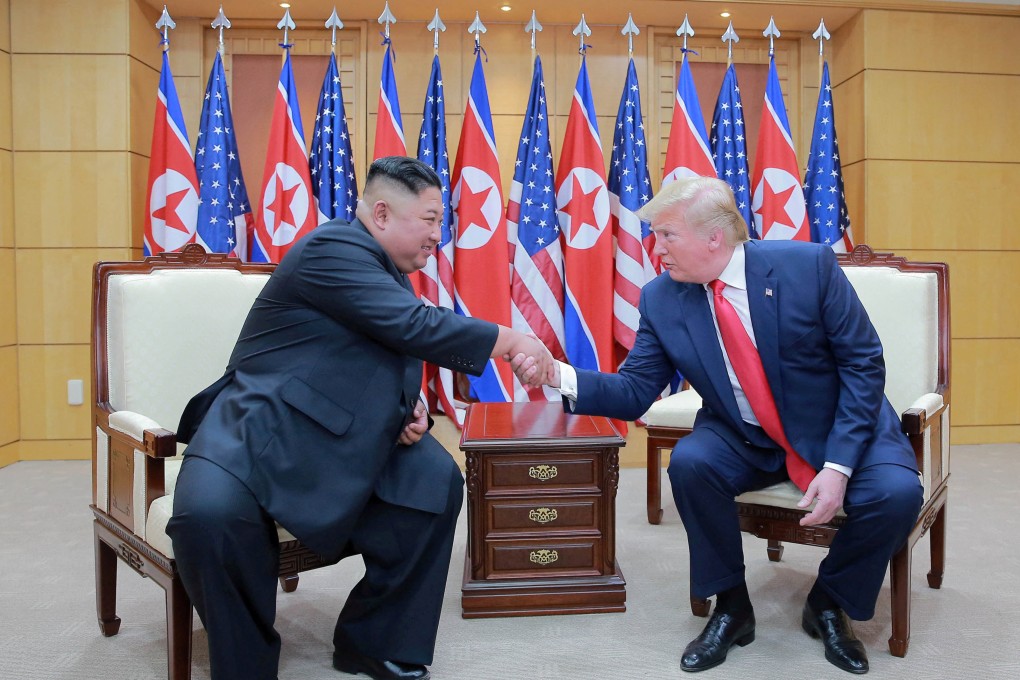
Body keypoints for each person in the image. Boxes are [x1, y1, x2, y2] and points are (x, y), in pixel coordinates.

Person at [513, 176, 923, 675]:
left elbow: (863, 363)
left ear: (714, 237)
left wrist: (838, 465)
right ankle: (732, 606)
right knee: (691, 463)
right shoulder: (662, 298)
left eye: (667, 235)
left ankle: (829, 601)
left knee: (897, 493)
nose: (655, 247)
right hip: (744, 434)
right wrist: (558, 374)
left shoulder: (807, 267)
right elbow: (636, 390)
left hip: (837, 426)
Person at [167, 156, 551, 680]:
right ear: (383, 213)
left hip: (341, 429)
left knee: (434, 484)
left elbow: (369, 355)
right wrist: (513, 341)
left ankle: (373, 641)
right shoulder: (334, 247)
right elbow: (412, 326)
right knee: (207, 518)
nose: (440, 233)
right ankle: (245, 665)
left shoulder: (385, 269)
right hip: (261, 427)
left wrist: (407, 409)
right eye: (432, 218)